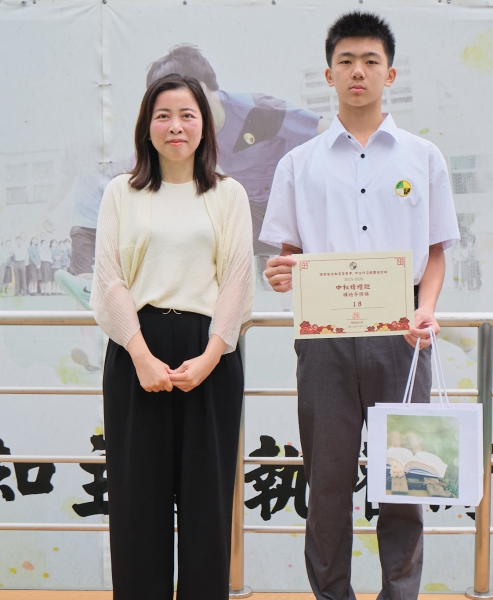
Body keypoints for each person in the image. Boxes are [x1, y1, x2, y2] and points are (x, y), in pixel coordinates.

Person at [260, 12, 460, 599]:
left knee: (406, 477)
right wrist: (281, 272)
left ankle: (399, 593)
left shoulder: (423, 158)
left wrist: (425, 308)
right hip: (324, 341)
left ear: (389, 73)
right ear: (328, 74)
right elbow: (289, 255)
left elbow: (436, 253)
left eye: (371, 61)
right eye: (346, 61)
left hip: (403, 338)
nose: (358, 71)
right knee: (326, 483)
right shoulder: (299, 163)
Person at [90, 73, 254, 600]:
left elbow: (237, 279)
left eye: (187, 115)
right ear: (147, 127)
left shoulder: (228, 194)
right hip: (136, 351)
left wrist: (210, 355)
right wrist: (140, 355)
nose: (175, 126)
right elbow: (109, 278)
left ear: (204, 126)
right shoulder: (122, 192)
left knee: (209, 506)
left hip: (211, 354)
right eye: (163, 115)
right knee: (137, 504)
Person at [52, 43, 328, 309]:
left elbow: (328, 132)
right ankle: (97, 285)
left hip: (293, 210)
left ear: (202, 88)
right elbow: (136, 173)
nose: (176, 119)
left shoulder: (259, 112)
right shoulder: (183, 131)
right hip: (250, 216)